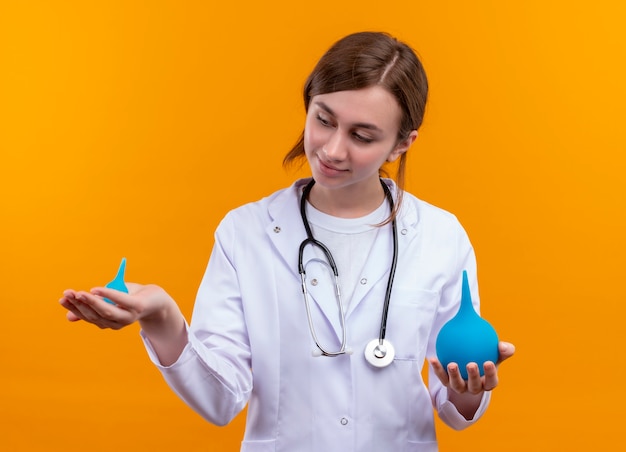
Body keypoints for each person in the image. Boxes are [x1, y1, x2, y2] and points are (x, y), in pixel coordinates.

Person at [60, 31, 515, 451]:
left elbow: (454, 409)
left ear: (401, 144)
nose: (333, 149)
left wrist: (464, 390)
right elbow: (221, 402)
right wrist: (162, 319)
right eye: (323, 120)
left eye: (362, 135)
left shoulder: (440, 236)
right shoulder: (245, 233)